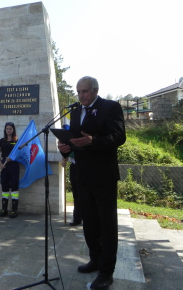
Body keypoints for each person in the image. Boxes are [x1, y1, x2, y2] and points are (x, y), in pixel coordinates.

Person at [58, 76, 126, 290]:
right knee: (89, 222)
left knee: (106, 225)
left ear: (95, 90)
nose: (81, 95)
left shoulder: (110, 107)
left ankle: (107, 272)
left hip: (103, 176)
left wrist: (94, 141)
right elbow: (77, 138)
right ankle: (95, 259)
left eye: (85, 91)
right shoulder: (76, 111)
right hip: (82, 174)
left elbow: (118, 136)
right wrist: (67, 146)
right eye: (78, 92)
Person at [0, 122, 20, 218]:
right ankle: (4, 209)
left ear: (13, 130)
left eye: (10, 128)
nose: (9, 130)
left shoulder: (17, 141)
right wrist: (0, 164)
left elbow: (19, 154)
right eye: (7, 129)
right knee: (4, 185)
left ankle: (14, 210)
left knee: (14, 186)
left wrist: (12, 158)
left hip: (13, 165)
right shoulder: (1, 141)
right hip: (4, 166)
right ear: (5, 130)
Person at [62, 151, 82, 226]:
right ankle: (77, 218)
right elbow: (67, 150)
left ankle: (85, 216)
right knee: (76, 194)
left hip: (85, 166)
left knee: (85, 194)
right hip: (74, 166)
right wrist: (64, 159)